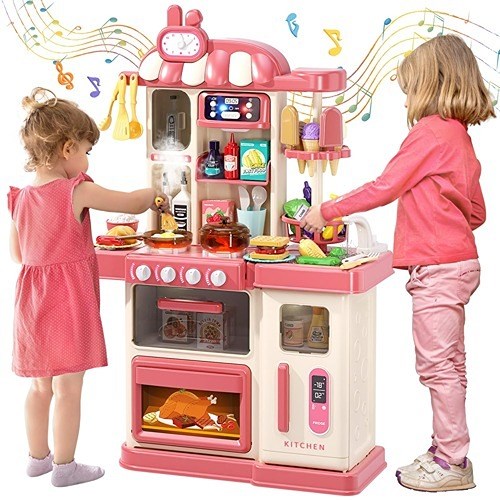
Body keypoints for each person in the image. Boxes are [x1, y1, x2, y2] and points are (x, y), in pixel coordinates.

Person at [302, 35, 495, 492]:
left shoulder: (430, 131)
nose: (406, 100)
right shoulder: (458, 137)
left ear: (431, 85)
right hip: (458, 264)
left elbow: (386, 185)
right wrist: (441, 215)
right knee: (450, 365)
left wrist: (326, 211)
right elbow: (477, 213)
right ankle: (448, 448)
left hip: (438, 268)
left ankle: (452, 462)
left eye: (409, 90)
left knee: (437, 368)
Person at [7, 88, 167, 487]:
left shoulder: (21, 198)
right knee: (69, 389)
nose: (87, 159)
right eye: (86, 150)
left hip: (31, 300)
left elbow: (17, 253)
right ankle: (65, 467)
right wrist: (155, 193)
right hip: (67, 300)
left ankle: (37, 459)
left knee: (40, 386)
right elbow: (130, 203)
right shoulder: (75, 190)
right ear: (67, 149)